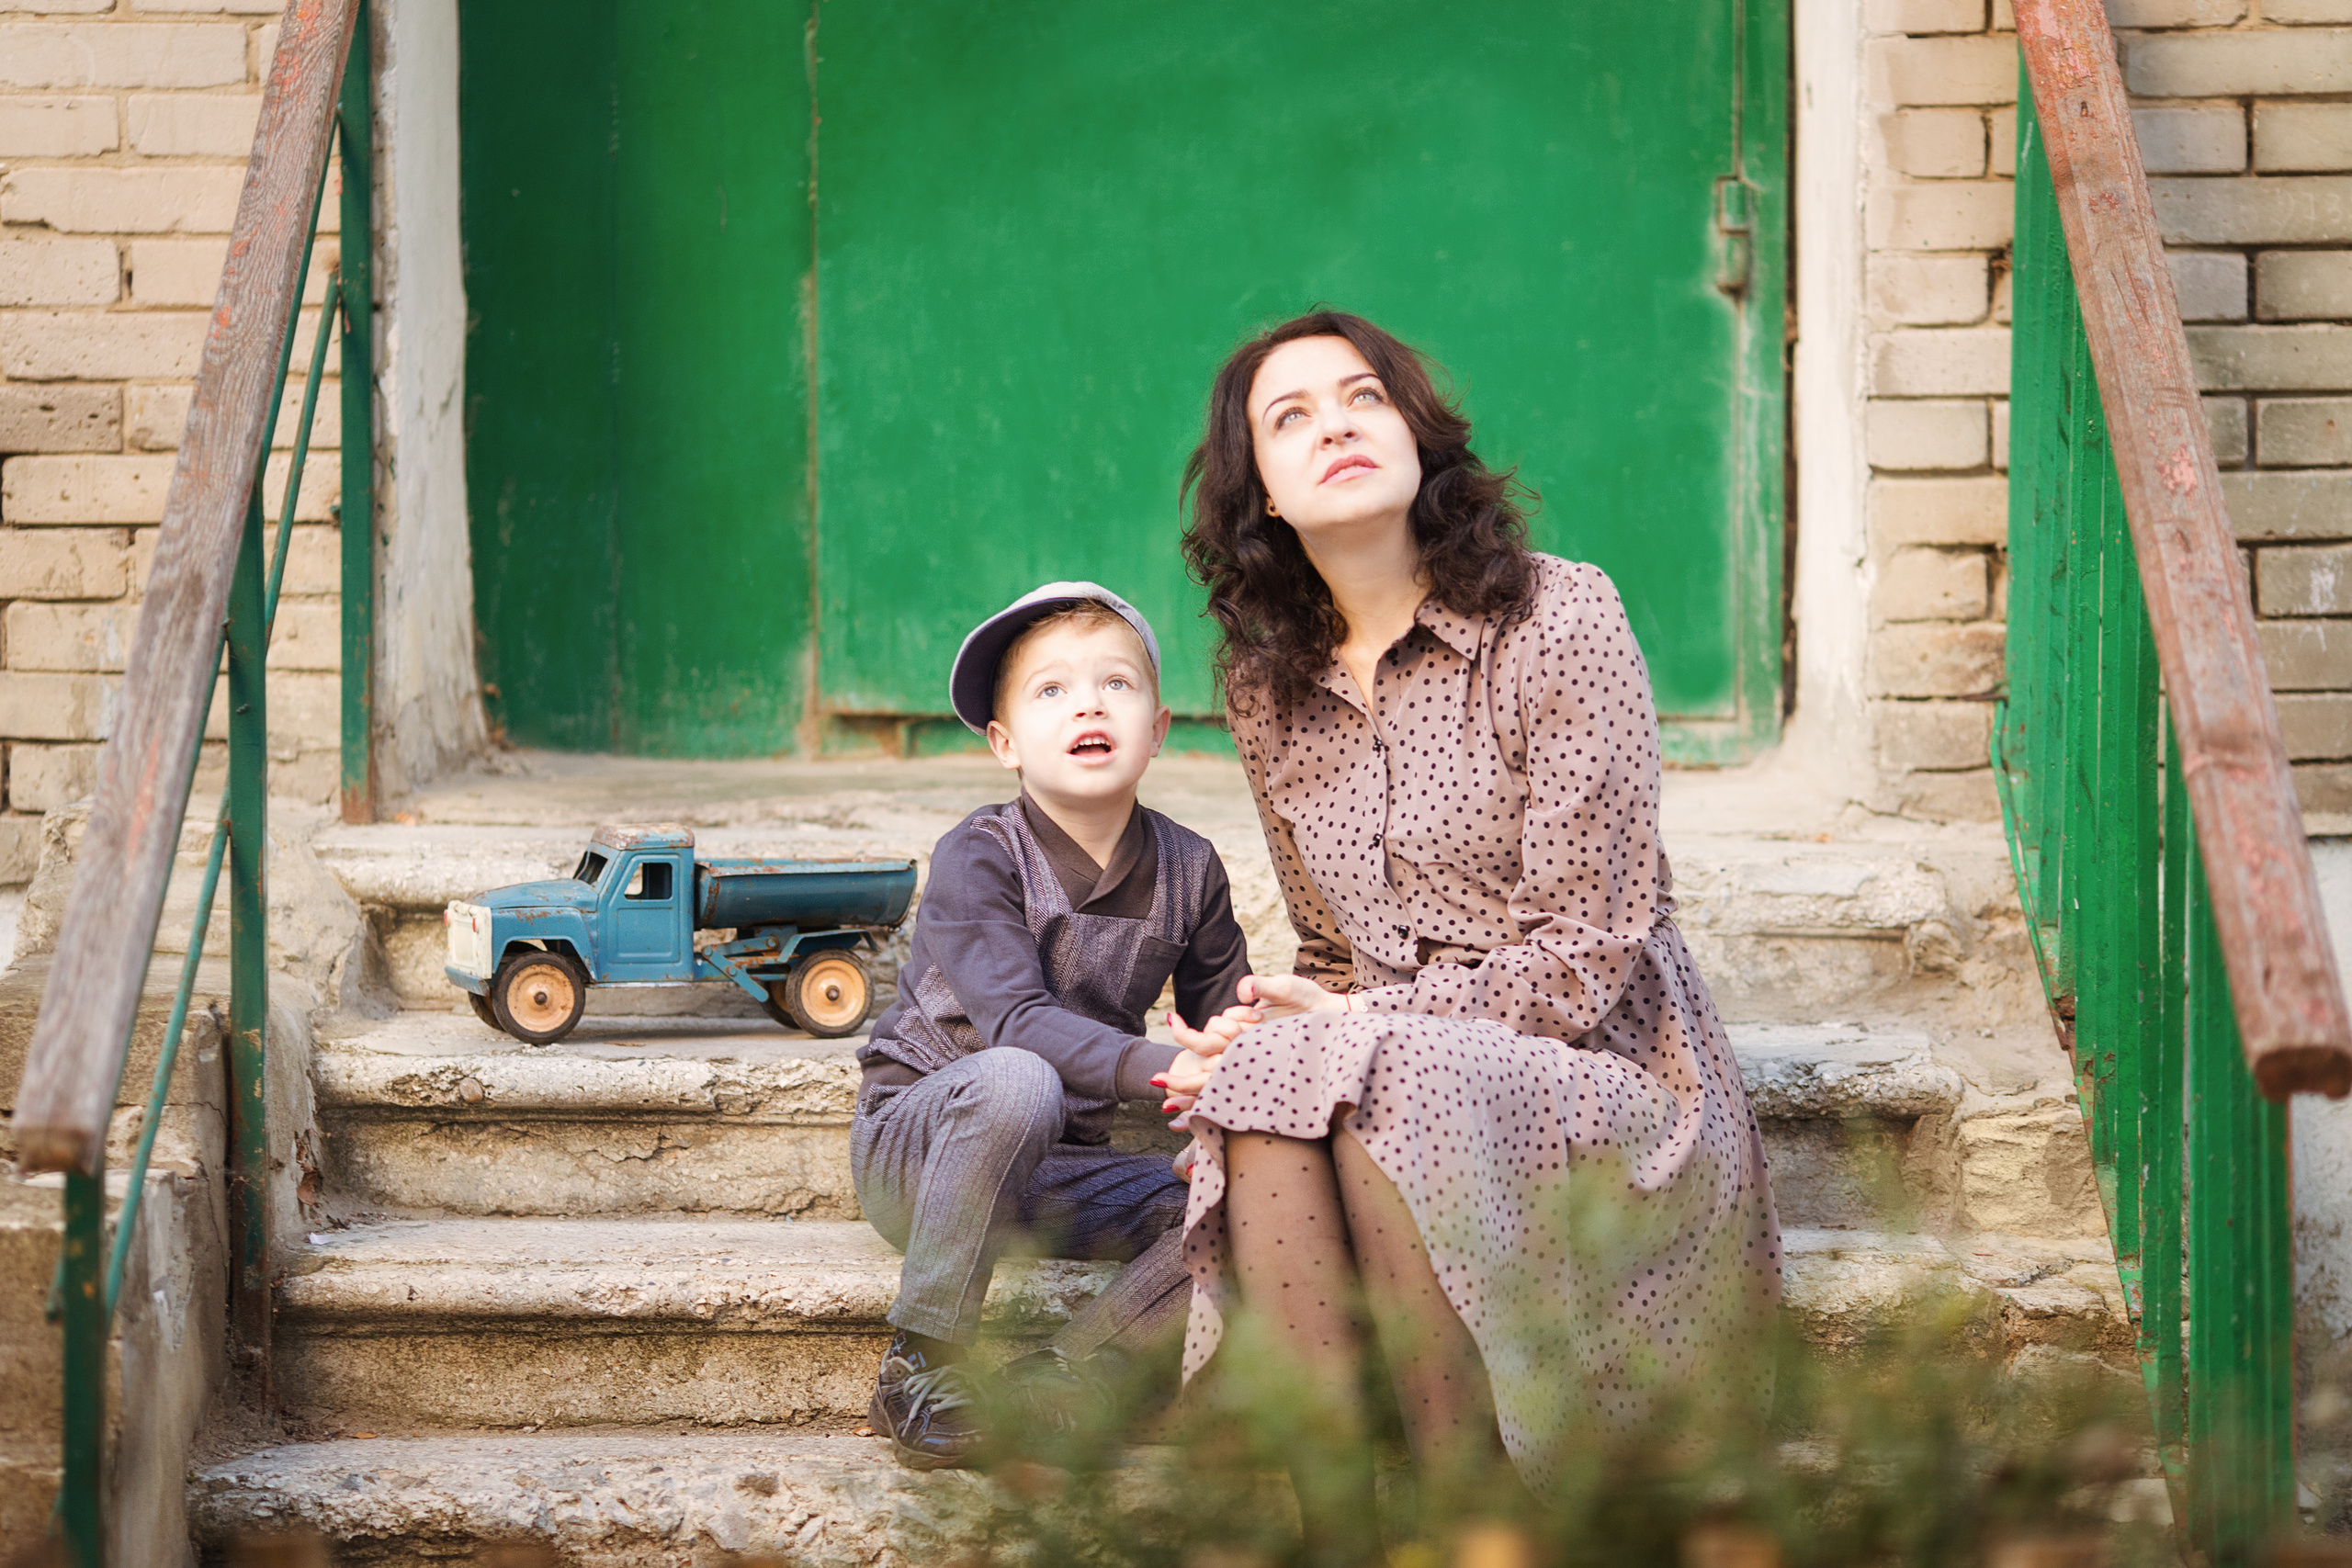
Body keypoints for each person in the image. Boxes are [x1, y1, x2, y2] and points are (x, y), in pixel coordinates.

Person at [1160, 311, 1781, 1553]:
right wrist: (1271, 1019)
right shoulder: (1265, 680)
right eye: (1291, 418)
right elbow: (1336, 953)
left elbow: (1592, 957)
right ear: (1265, 498)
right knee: (1276, 1070)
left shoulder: (1559, 617)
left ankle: (1469, 1521)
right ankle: (1335, 1530)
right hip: (1396, 1061)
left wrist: (1360, 1020)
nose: (1334, 422)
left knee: (1393, 1064)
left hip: (1603, 1065)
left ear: (1416, 434)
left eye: (1362, 398)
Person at [852, 581, 1253, 1471]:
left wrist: (1230, 1112)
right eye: (1051, 692)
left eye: (1116, 685)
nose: (1087, 704)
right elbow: (1018, 1026)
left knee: (1259, 1202)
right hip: (924, 1152)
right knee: (1017, 1080)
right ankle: (920, 1363)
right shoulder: (981, 854)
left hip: (1061, 1167)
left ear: (1156, 730)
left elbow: (1226, 1030)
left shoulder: (1191, 869)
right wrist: (1165, 1070)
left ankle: (1074, 1376)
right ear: (1003, 745)